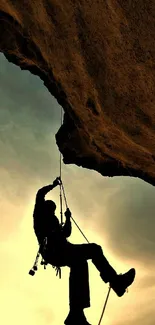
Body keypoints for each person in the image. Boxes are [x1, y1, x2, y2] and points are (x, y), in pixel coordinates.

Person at [33, 177, 136, 325]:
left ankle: (76, 314)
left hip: (62, 250)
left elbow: (66, 233)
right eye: (50, 208)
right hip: (53, 251)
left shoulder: (54, 221)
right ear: (45, 207)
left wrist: (68, 219)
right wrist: (54, 185)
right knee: (91, 251)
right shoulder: (39, 215)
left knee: (81, 262)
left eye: (53, 209)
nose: (52, 211)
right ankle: (116, 283)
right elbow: (40, 194)